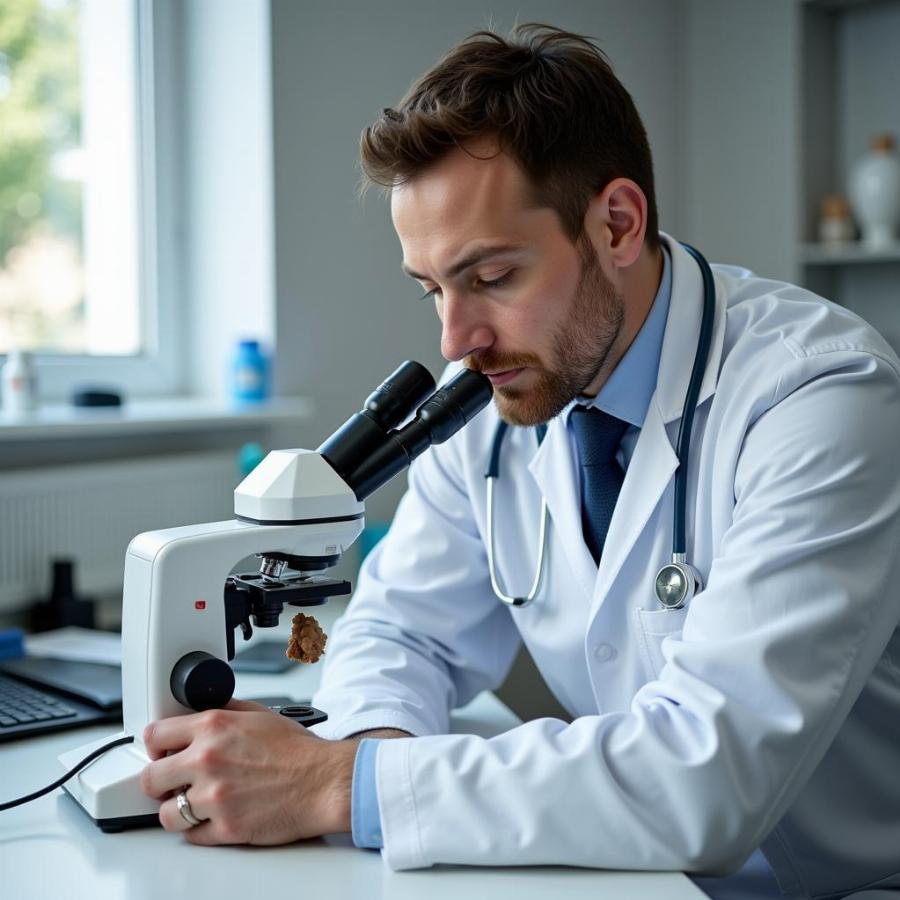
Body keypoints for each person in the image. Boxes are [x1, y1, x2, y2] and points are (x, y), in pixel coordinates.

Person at [139, 24, 900, 899]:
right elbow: (401, 629)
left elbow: (709, 772)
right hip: (626, 873)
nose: (456, 340)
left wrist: (338, 785)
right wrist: (377, 754)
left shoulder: (823, 394)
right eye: (432, 288)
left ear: (616, 223)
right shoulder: (497, 400)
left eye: (491, 277)